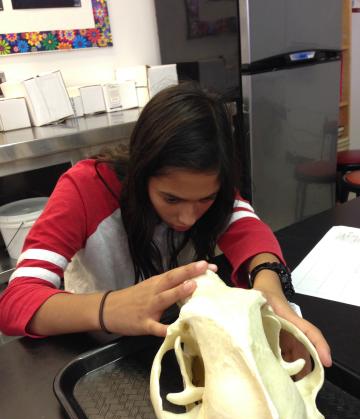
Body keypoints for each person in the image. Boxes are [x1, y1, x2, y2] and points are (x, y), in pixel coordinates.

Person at [0, 82, 331, 373]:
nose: (188, 217)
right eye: (171, 199)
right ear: (142, 172)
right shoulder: (86, 189)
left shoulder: (210, 191)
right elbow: (17, 301)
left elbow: (251, 231)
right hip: (98, 352)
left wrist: (270, 290)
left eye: (205, 199)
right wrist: (109, 307)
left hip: (168, 344)